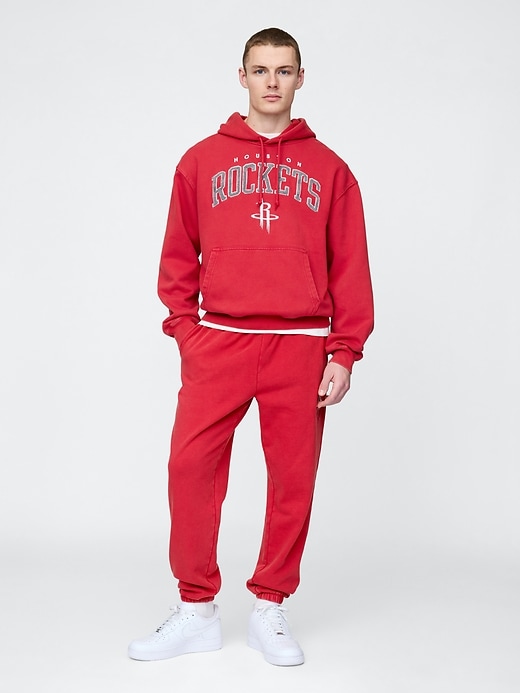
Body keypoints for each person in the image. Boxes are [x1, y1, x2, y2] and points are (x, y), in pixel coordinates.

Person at [128, 27, 374, 667]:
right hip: (221, 341)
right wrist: (186, 331)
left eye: (284, 70)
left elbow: (350, 264)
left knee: (293, 479)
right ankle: (196, 610)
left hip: (300, 344)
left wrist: (344, 351)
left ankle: (270, 606)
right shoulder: (201, 161)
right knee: (190, 469)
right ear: (241, 77)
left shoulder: (330, 170)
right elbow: (177, 255)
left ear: (300, 78)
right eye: (260, 70)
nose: (272, 82)